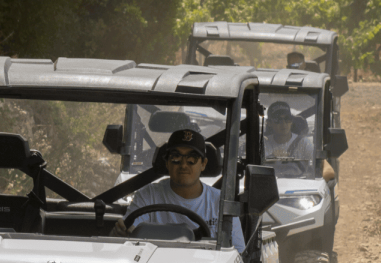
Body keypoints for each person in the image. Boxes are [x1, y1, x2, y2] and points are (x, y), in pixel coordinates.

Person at [111, 128, 245, 251]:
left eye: (191, 159)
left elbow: (239, 254)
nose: (183, 165)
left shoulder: (221, 203)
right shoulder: (147, 196)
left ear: (203, 164)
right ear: (167, 162)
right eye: (176, 158)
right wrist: (121, 233)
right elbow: (127, 235)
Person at [263, 101, 336, 180]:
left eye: (287, 119)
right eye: (278, 119)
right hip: (269, 186)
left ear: (291, 121)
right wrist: (270, 158)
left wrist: (322, 176)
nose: (283, 123)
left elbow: (328, 171)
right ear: (269, 123)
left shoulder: (304, 143)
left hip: (299, 187)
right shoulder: (263, 144)